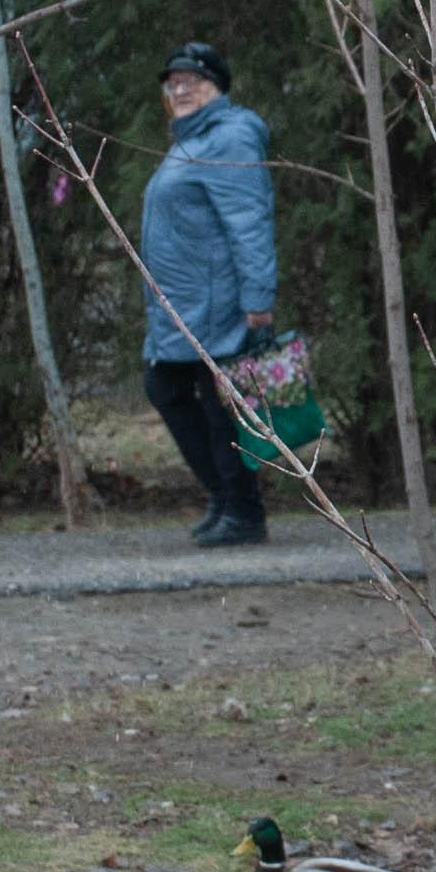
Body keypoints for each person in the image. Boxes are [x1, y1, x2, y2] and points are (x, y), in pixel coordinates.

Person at [137, 38, 280, 546]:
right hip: (182, 305)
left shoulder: (230, 136)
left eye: (191, 81)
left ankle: (242, 511)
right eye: (172, 83)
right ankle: (226, 499)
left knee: (219, 406)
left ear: (216, 87)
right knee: (169, 390)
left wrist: (258, 299)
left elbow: (249, 221)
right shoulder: (192, 140)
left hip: (216, 302)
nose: (179, 90)